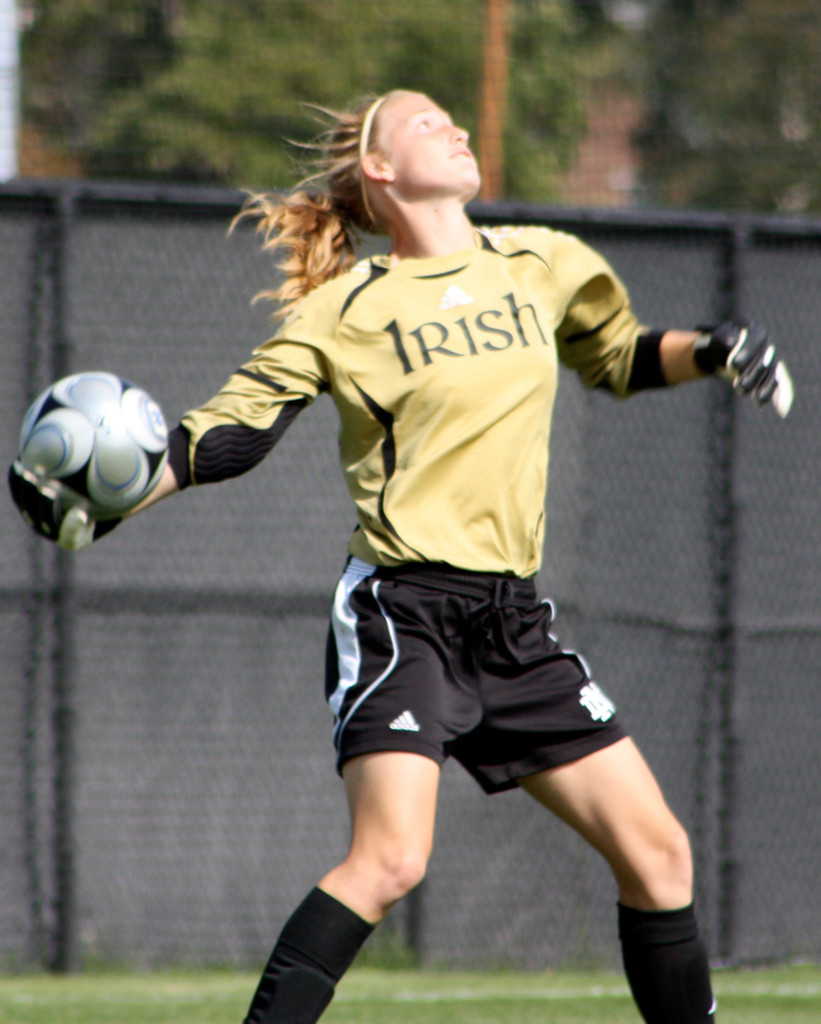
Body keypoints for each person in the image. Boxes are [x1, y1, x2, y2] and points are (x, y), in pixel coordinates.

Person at [9, 89, 792, 1024]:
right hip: (402, 614)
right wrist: (109, 502)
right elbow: (224, 437)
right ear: (380, 169)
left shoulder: (542, 262)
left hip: (513, 622)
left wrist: (707, 350)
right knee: (389, 862)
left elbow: (614, 357)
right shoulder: (345, 309)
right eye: (427, 122)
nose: (455, 128)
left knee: (659, 855)